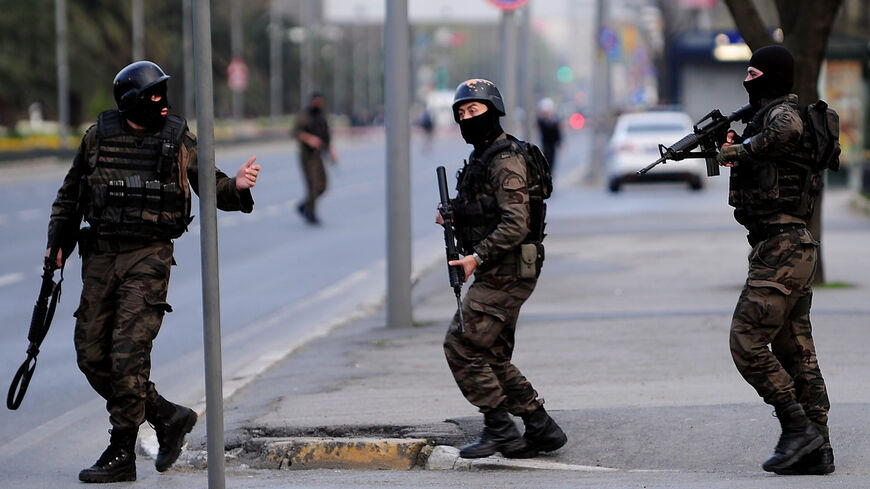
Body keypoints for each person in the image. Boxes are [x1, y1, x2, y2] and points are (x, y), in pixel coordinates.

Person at [45, 60, 261, 483]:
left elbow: (212, 183)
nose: (162, 103)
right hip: (100, 258)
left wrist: (237, 185)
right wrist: (57, 244)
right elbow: (70, 197)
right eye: (154, 96)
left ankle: (121, 450)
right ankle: (165, 415)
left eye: (165, 93)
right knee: (92, 356)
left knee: (127, 357)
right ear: (132, 103)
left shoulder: (177, 139)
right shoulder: (97, 138)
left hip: (149, 257)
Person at [716, 45, 834, 475]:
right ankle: (818, 449)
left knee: (745, 340)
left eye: (753, 72)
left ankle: (797, 427)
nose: (747, 81)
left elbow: (785, 131)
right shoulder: (760, 119)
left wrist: (741, 151)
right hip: (786, 246)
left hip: (783, 248)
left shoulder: (784, 114)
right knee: (794, 348)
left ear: (771, 76)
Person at [437, 78, 566, 459]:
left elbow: (515, 223)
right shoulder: (484, 157)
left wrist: (477, 256)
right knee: (490, 353)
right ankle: (542, 428)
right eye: (460, 113)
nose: (466, 118)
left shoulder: (505, 159)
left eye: (473, 110)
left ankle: (499, 428)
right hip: (499, 265)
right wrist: (456, 217)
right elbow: (486, 210)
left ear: (494, 112)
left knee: (461, 343)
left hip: (507, 267)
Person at [293, 92, 337, 225]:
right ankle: (310, 212)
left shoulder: (322, 116)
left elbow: (326, 136)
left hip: (318, 155)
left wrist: (331, 151)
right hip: (307, 155)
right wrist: (309, 139)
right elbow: (296, 132)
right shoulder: (305, 115)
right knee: (312, 185)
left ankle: (304, 206)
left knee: (322, 185)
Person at [536, 97, 562, 174]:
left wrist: (559, 143)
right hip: (545, 144)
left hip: (552, 145)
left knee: (552, 162)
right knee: (545, 161)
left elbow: (557, 133)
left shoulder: (554, 121)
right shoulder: (541, 121)